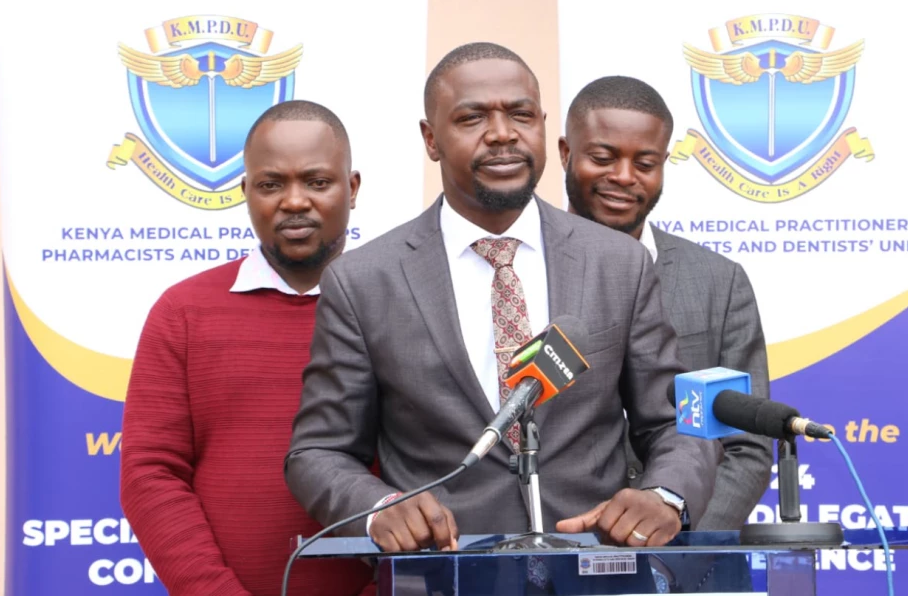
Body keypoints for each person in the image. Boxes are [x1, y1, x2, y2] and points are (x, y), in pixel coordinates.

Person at [284, 44, 719, 570]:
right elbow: (319, 452)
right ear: (430, 139)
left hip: (596, 572)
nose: (502, 134)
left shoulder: (619, 263)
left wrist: (665, 495)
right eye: (472, 118)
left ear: (542, 125)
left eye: (520, 114)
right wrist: (379, 510)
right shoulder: (364, 280)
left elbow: (674, 422)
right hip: (443, 573)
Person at [120, 100, 373, 596]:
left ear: (353, 188)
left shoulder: (398, 305)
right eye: (271, 184)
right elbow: (150, 474)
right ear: (245, 192)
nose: (294, 201)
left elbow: (429, 472)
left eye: (317, 182)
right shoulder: (183, 312)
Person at [560, 75, 772, 532]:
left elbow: (746, 447)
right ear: (565, 153)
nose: (624, 177)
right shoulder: (522, 270)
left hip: (682, 556)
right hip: (560, 546)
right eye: (603, 158)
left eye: (645, 163)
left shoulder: (720, 282)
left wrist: (673, 537)